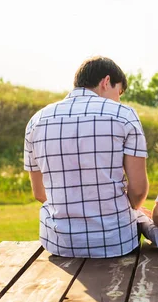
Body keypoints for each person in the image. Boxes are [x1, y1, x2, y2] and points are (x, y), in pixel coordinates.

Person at [24, 56, 149, 258]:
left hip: (60, 244)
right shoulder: (124, 115)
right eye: (119, 92)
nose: (119, 100)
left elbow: (39, 192)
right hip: (116, 243)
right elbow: (139, 190)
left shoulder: (37, 120)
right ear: (106, 82)